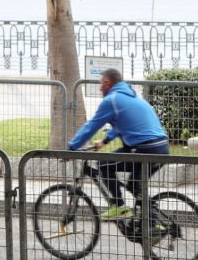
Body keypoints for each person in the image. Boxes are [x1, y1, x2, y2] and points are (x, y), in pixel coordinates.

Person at [68, 68, 169, 219]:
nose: (99, 87)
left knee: (103, 164)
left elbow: (91, 126)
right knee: (134, 185)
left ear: (107, 83)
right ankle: (154, 223)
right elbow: (123, 123)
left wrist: (71, 147)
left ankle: (119, 206)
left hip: (144, 149)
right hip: (161, 148)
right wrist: (105, 140)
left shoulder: (111, 100)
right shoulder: (132, 96)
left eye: (100, 83)